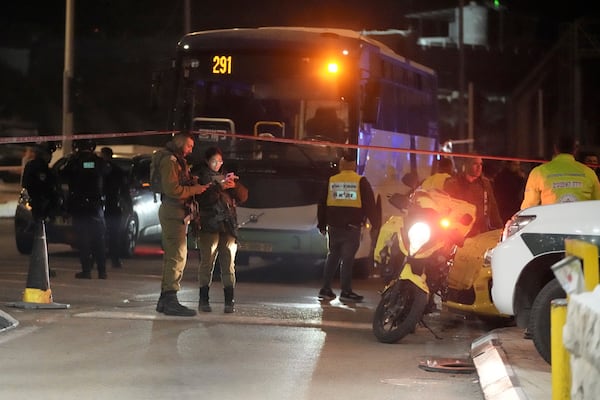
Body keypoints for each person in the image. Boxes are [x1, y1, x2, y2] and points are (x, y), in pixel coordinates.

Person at [155, 133, 209, 317]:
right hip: (173, 210)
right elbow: (173, 189)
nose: (190, 150)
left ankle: (165, 299)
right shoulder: (170, 161)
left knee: (173, 255)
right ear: (180, 143)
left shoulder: (175, 160)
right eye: (189, 146)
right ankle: (170, 299)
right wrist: (195, 189)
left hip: (175, 210)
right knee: (177, 255)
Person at [317, 154, 380, 302]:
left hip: (333, 227)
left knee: (332, 256)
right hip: (351, 228)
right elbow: (370, 205)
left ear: (341, 165)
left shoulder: (331, 180)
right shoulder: (361, 181)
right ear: (353, 166)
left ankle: (325, 289)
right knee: (347, 259)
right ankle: (346, 291)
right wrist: (376, 225)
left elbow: (322, 204)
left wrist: (321, 224)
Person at [193, 146, 248, 313]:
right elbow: (202, 198)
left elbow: (243, 196)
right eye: (214, 161)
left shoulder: (225, 175)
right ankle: (204, 300)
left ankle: (229, 301)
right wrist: (218, 188)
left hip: (228, 226)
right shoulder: (199, 176)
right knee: (207, 263)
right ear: (207, 161)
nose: (217, 164)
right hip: (208, 225)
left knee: (228, 263)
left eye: (220, 161)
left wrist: (234, 186)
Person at [60, 138, 110, 279]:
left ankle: (87, 270)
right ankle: (102, 271)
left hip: (79, 206)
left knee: (83, 240)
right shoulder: (99, 162)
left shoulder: (74, 162)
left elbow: (62, 175)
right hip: (95, 206)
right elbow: (107, 173)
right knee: (99, 239)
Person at [521, 135, 600, 209]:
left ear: (555, 148)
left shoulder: (538, 172)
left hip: (550, 222)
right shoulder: (589, 173)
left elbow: (529, 207)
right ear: (575, 149)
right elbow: (597, 204)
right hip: (582, 223)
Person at [444, 156, 503, 237]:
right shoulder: (453, 183)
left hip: (481, 230)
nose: (479, 167)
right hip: (460, 231)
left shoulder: (484, 183)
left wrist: (499, 227)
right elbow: (447, 206)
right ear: (466, 165)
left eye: (481, 164)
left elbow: (492, 206)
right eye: (475, 164)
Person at [100, 147, 130, 269]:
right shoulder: (117, 171)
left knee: (103, 234)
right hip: (112, 206)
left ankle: (104, 259)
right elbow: (124, 190)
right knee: (113, 234)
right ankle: (114, 260)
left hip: (106, 205)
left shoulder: (102, 169)